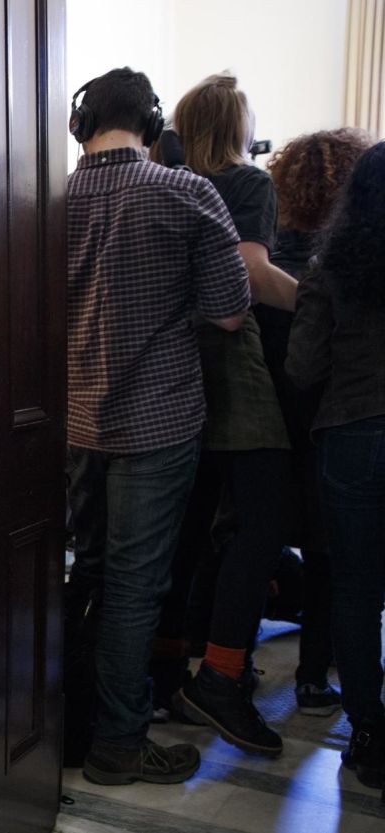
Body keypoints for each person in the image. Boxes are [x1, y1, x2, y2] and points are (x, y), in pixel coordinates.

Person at [62, 67, 251, 785]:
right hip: (158, 415)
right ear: (153, 123)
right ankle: (118, 739)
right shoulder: (187, 191)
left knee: (96, 572)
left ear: (83, 125)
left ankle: (77, 722)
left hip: (78, 416)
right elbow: (230, 311)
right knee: (138, 588)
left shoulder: (49, 201)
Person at [158, 73, 294, 758]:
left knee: (195, 524)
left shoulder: (167, 182)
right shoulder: (245, 183)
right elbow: (252, 273)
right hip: (232, 363)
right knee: (264, 520)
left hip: (176, 366)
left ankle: (172, 668)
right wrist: (317, 300)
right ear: (237, 126)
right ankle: (219, 675)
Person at [260, 129, 373, 717]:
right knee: (341, 569)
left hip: (285, 426)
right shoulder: (341, 264)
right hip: (334, 425)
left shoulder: (276, 255)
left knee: (277, 548)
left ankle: (232, 660)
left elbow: (294, 363)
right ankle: (318, 675)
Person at [288, 140, 385, 795]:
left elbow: (301, 368)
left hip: (353, 433)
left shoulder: (333, 265)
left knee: (355, 591)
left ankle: (370, 736)